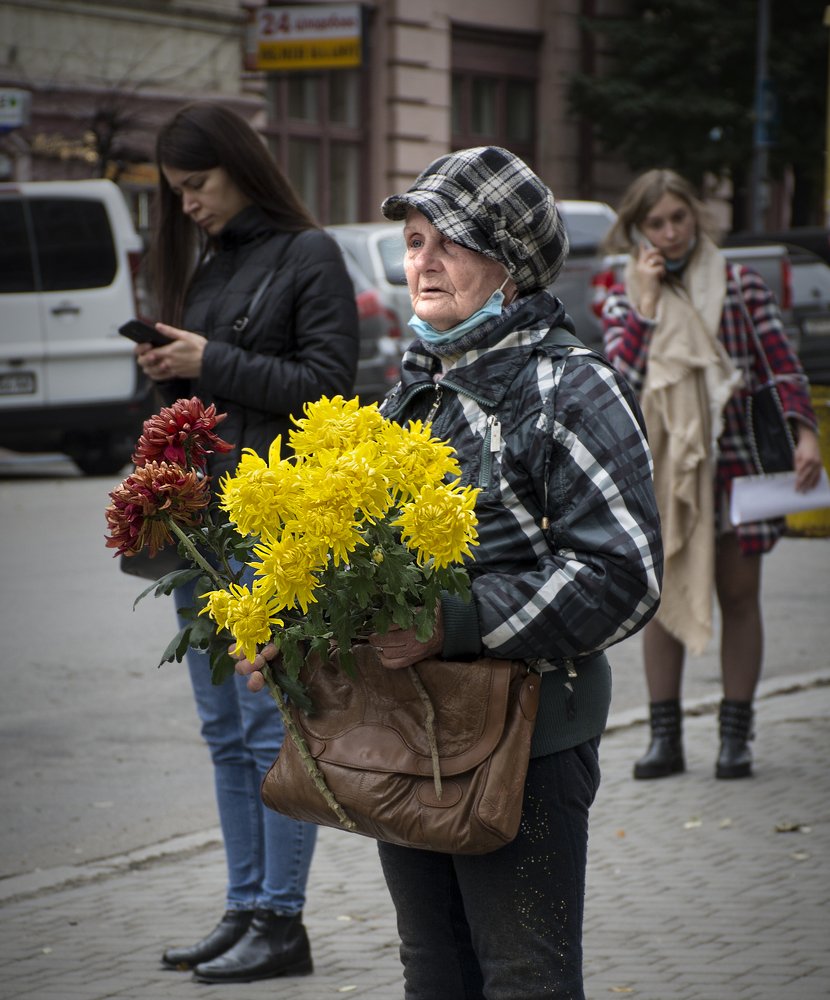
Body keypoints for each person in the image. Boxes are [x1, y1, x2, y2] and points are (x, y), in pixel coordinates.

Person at [237, 146, 663, 999]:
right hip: (416, 735)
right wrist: (293, 631)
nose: (422, 262)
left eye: (449, 243)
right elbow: (360, 566)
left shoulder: (569, 389)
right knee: (434, 973)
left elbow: (624, 575)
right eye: (415, 240)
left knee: (524, 980)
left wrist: (453, 620)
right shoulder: (413, 392)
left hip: (528, 742)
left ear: (510, 266)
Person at [134, 101, 360, 983]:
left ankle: (283, 918)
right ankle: (244, 905)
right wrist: (163, 372)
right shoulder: (207, 267)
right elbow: (203, 389)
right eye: (176, 192)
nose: (187, 204)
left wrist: (207, 362)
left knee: (273, 725)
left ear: (240, 165)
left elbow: (326, 386)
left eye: (199, 184)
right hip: (201, 527)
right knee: (225, 731)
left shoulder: (310, 255)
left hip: (273, 527)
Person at [599, 168, 822, 781]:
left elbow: (781, 366)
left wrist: (806, 433)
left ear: (695, 216)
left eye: (679, 218)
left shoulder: (740, 284)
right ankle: (664, 739)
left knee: (740, 595)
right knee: (663, 601)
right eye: (657, 223)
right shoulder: (620, 291)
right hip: (663, 471)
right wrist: (645, 306)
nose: (671, 233)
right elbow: (622, 383)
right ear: (638, 230)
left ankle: (736, 737)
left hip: (737, 465)